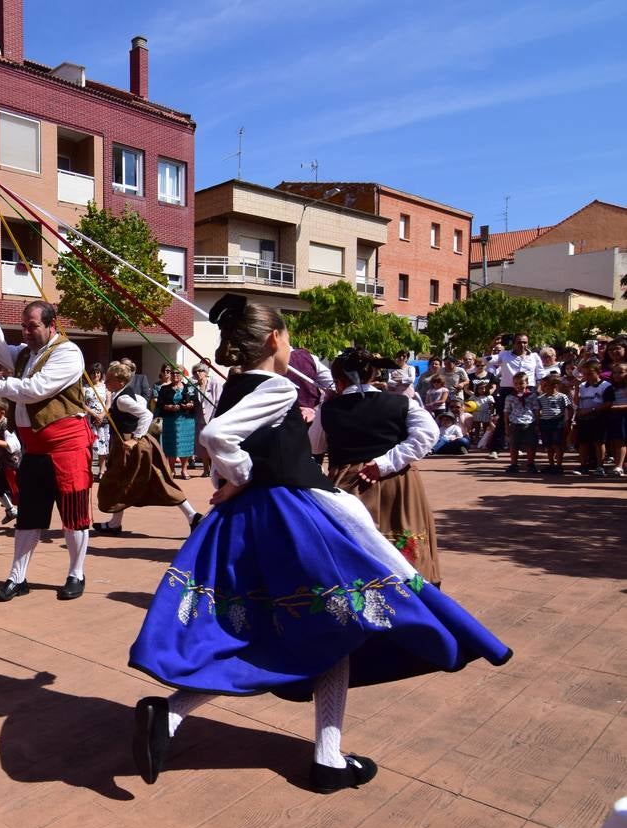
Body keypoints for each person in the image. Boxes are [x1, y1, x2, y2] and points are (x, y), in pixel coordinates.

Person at [128, 294, 511, 791]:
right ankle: (325, 757)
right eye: (288, 337)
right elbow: (221, 438)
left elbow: (236, 447)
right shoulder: (278, 389)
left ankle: (175, 714)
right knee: (340, 621)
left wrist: (237, 479)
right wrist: (240, 471)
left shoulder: (233, 387)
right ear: (274, 338)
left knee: (278, 631)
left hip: (248, 521)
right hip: (299, 517)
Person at [0, 298, 93, 602]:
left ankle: (76, 573)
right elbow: (2, 347)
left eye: (33, 327)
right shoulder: (26, 354)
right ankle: (17, 578)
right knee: (28, 516)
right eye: (23, 326)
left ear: (51, 325)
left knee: (73, 516)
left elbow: (36, 389)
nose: (27, 333)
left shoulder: (68, 353)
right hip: (34, 450)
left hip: (67, 447)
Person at [311, 347, 442, 583]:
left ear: (338, 381)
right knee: (402, 541)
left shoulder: (328, 409)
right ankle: (413, 600)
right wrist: (386, 463)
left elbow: (315, 445)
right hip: (398, 482)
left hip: (350, 483)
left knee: (356, 545)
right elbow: (428, 434)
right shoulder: (402, 403)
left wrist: (326, 405)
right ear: (373, 375)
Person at [94, 360, 201, 535]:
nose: (105, 382)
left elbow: (146, 414)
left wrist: (135, 438)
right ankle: (115, 523)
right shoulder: (122, 395)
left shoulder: (123, 399)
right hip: (127, 445)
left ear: (120, 382)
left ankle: (193, 516)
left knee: (157, 482)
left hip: (133, 447)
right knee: (122, 482)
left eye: (109, 379)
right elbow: (142, 405)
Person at [573, 361, 614, 476]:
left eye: (590, 374)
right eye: (585, 374)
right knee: (583, 443)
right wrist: (576, 390)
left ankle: (600, 466)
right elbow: (576, 402)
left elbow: (609, 403)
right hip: (584, 419)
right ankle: (583, 465)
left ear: (598, 372)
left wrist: (592, 410)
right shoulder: (582, 386)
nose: (587, 377)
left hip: (599, 418)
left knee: (599, 442)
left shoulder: (606, 386)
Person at [0, 398, 20, 522]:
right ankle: (11, 510)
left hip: (12, 465)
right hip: (4, 465)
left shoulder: (6, 425)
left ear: (2, 413)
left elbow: (15, 445)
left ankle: (24, 518)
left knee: (17, 492)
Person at [532, 373, 571, 474]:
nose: (543, 388)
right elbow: (538, 411)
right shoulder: (541, 398)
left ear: (554, 386)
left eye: (545, 385)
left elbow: (569, 408)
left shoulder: (562, 397)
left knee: (557, 444)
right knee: (548, 445)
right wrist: (537, 423)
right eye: (542, 385)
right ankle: (551, 465)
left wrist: (568, 420)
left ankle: (559, 465)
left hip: (557, 423)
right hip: (545, 422)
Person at [503, 371, 539, 475]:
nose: (519, 386)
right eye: (516, 383)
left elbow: (536, 410)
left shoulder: (532, 396)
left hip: (529, 422)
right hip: (515, 423)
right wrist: (506, 426)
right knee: (513, 445)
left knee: (530, 445)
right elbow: (506, 411)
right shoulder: (510, 397)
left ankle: (531, 464)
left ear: (527, 383)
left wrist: (537, 423)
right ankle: (514, 464)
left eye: (521, 383)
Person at [192, 364, 220, 477]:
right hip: (200, 419)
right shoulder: (194, 386)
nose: (197, 373)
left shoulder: (214, 383)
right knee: (202, 445)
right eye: (195, 372)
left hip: (212, 418)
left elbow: (218, 400)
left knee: (213, 445)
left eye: (200, 371)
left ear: (206, 372)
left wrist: (215, 417)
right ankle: (205, 469)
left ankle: (214, 469)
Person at [83, 361, 109, 474]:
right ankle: (88, 470)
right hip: (90, 419)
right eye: (93, 373)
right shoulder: (85, 388)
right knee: (89, 445)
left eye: (98, 372)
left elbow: (108, 403)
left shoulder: (105, 387)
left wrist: (102, 415)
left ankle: (102, 471)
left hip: (103, 419)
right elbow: (82, 403)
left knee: (102, 446)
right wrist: (93, 414)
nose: (96, 375)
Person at [606, 363, 627, 477]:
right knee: (616, 441)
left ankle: (619, 465)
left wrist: (617, 407)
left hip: (624, 415)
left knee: (621, 442)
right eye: (615, 372)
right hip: (615, 416)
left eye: (621, 372)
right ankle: (619, 465)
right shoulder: (611, 387)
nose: (617, 375)